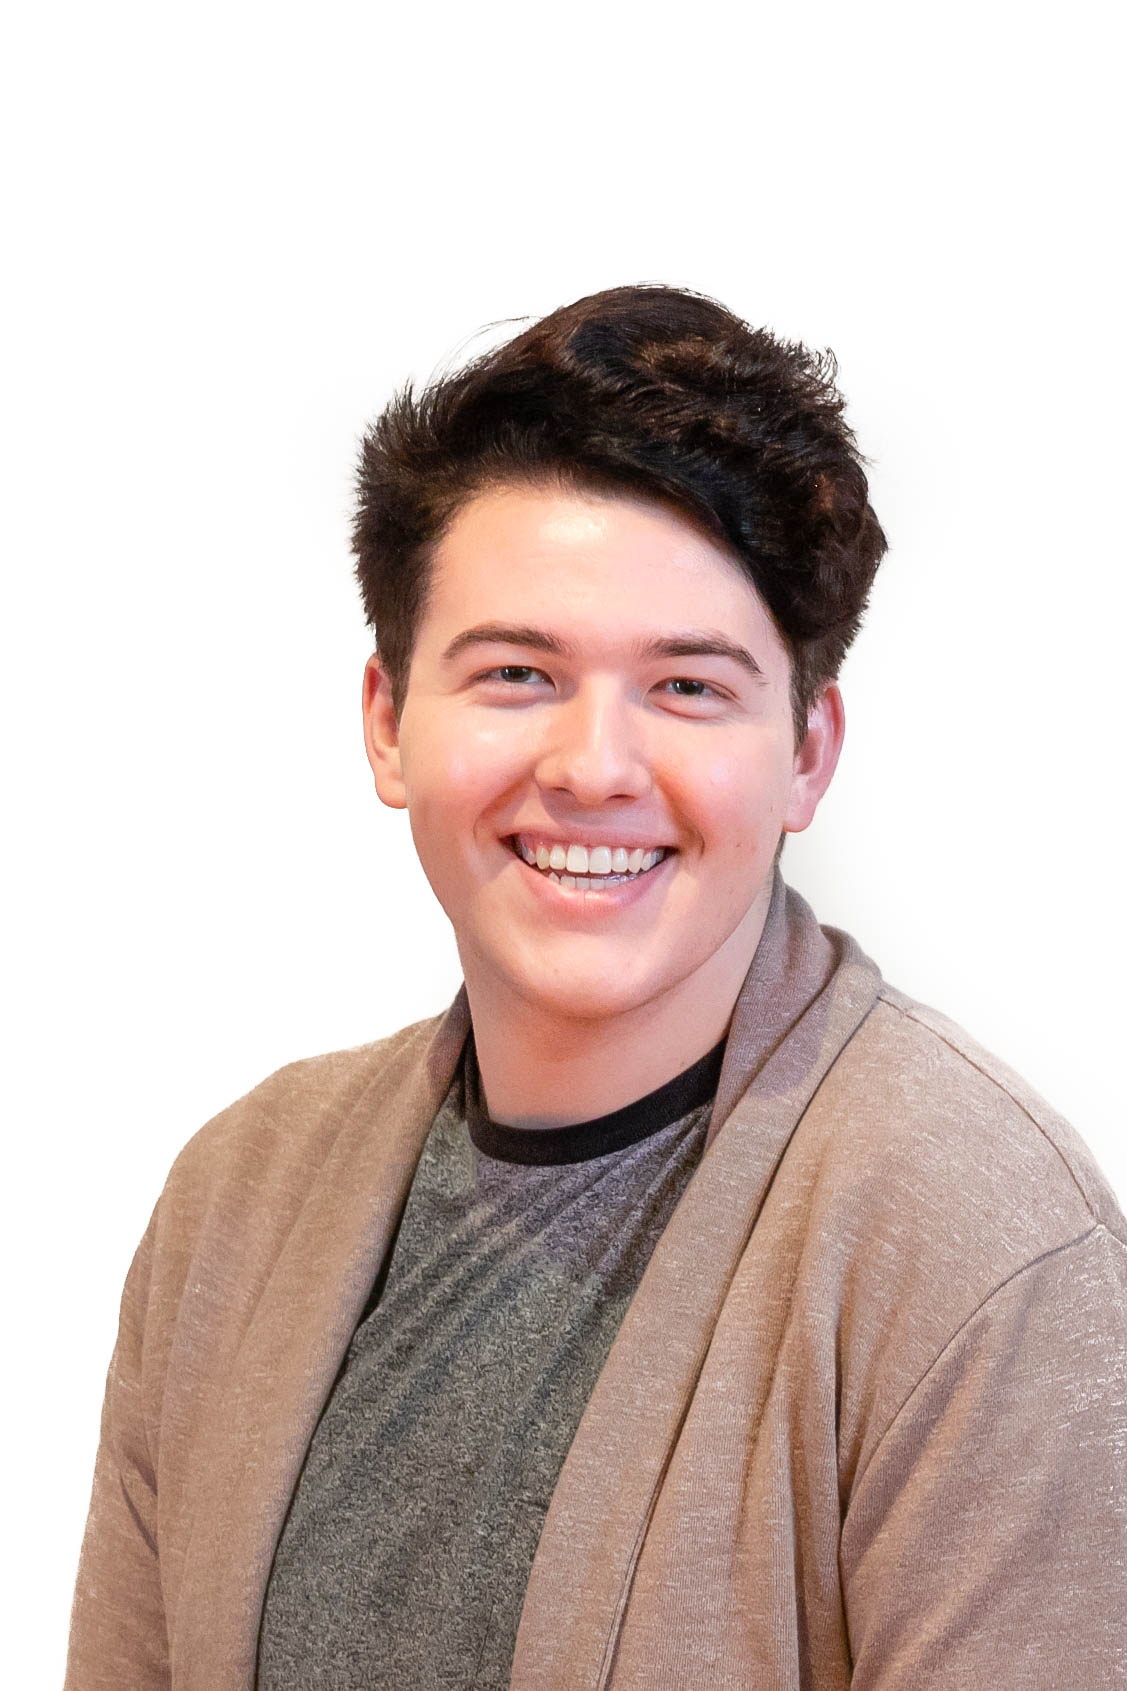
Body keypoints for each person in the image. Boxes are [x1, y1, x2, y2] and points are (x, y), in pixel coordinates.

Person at [66, 285, 1127, 1691]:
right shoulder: (237, 1201)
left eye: (688, 688)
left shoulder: (980, 1255)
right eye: (518, 672)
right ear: (388, 723)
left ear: (809, 752)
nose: (593, 768)